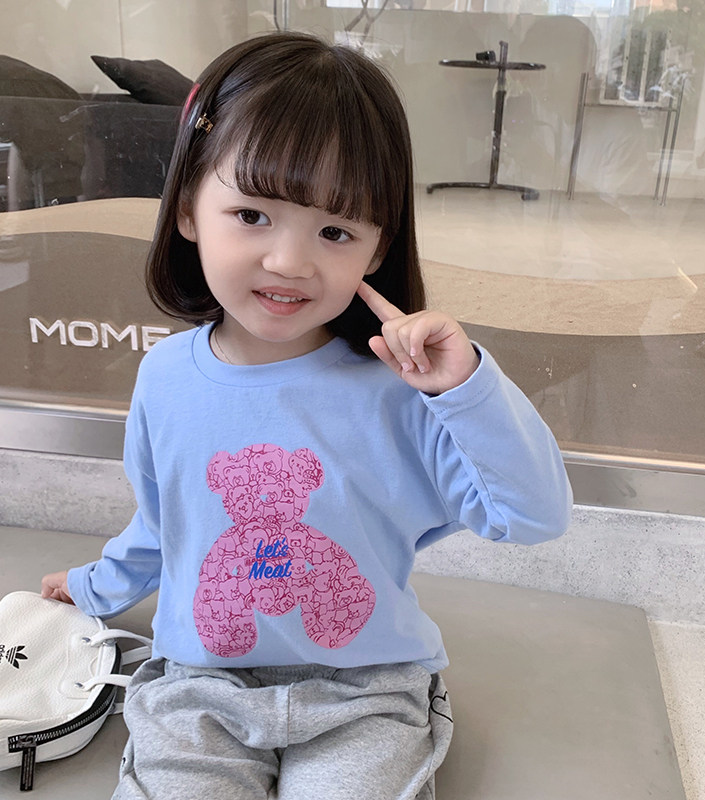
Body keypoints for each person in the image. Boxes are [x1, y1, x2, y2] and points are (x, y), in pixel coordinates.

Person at [41, 31, 572, 800]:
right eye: (251, 214)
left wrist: (465, 388)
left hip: (365, 692)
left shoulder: (402, 389)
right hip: (200, 688)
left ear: (377, 248)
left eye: (335, 231)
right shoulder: (164, 377)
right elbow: (163, 525)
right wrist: (94, 587)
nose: (289, 262)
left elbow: (532, 515)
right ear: (188, 208)